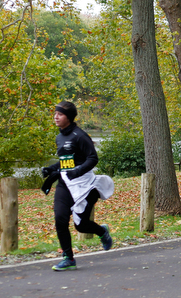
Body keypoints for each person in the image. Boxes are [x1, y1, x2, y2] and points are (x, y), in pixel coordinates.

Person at [41, 101, 114, 271]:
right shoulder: (59, 137)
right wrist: (51, 169)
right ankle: (68, 258)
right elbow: (66, 161)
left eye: (60, 114)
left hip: (84, 184)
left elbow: (92, 158)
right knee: (60, 218)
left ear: (69, 117)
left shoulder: (80, 136)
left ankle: (102, 232)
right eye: (55, 113)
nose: (55, 116)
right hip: (65, 184)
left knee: (80, 225)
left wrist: (78, 171)